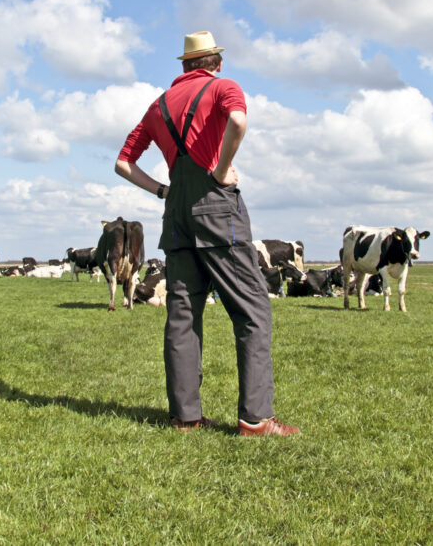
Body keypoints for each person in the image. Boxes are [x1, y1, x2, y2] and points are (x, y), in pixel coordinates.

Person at [114, 31, 299, 437]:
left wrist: (163, 190)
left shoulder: (157, 106)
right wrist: (219, 169)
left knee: (182, 315)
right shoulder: (224, 88)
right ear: (214, 62)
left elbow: (123, 163)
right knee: (253, 310)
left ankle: (186, 418)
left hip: (176, 214)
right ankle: (256, 418)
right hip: (218, 210)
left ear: (184, 66)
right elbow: (237, 120)